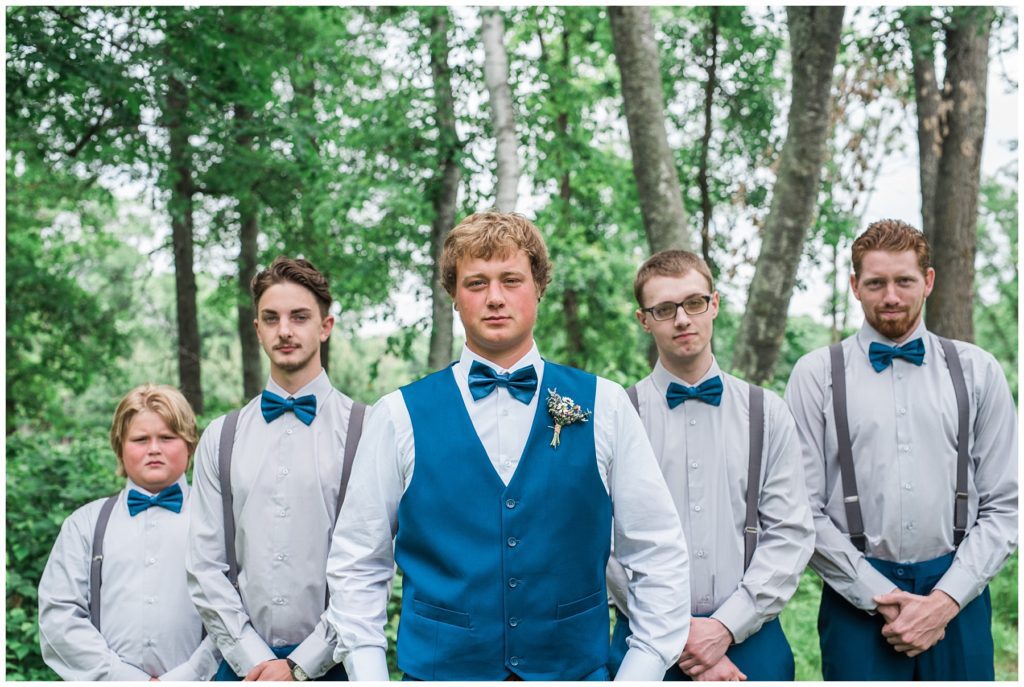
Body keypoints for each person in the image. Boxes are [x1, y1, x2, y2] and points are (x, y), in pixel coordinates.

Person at [325, 211, 690, 681]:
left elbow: (657, 552)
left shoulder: (606, 405)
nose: (495, 297)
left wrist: (640, 671)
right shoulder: (397, 415)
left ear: (538, 287)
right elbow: (357, 562)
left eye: (511, 280)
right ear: (454, 296)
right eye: (476, 283)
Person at [785, 219, 1018, 680]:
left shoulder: (979, 371)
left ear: (927, 281)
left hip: (960, 594)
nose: (890, 296)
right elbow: (801, 508)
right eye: (876, 283)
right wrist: (875, 593)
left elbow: (1006, 505)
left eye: (904, 281)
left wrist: (946, 600)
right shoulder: (815, 376)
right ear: (855, 286)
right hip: (855, 601)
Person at [606, 250, 814, 681]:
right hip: (644, 642)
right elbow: (607, 545)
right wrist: (681, 636)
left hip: (752, 641)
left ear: (714, 304)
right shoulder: (616, 415)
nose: (682, 319)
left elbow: (789, 533)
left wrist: (724, 627)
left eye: (694, 303)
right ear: (644, 320)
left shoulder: (768, 413)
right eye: (665, 309)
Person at [187, 257, 365, 681]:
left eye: (299, 317)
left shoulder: (367, 431)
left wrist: (302, 664)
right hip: (241, 666)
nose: (284, 330)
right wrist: (255, 660)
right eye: (272, 318)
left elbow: (370, 565)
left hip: (338, 662)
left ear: (325, 326)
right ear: (257, 329)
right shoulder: (221, 436)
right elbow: (205, 565)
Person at [38, 384, 219, 681]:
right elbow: (60, 617)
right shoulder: (85, 524)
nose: (154, 449)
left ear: (190, 444)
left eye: (167, 437)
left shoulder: (217, 521)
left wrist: (189, 676)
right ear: (120, 448)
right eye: (140, 439)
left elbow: (239, 609)